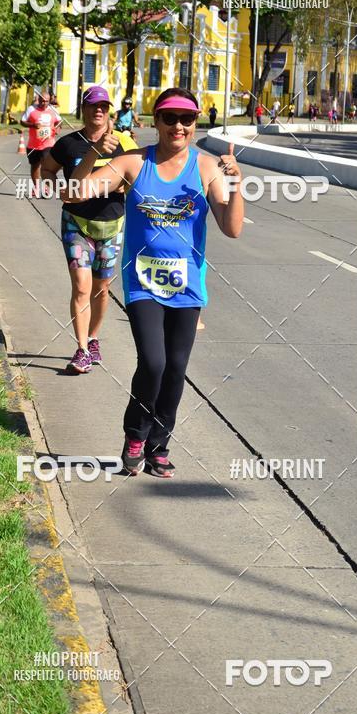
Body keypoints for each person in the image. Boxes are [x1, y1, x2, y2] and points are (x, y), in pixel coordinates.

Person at [67, 87, 243, 478]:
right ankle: (135, 435)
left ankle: (159, 445)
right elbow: (73, 194)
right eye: (169, 118)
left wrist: (236, 184)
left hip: (186, 285)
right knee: (154, 362)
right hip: (143, 282)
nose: (178, 126)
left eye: (187, 119)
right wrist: (95, 154)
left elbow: (231, 229)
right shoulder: (133, 163)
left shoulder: (206, 167)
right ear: (157, 121)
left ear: (195, 124)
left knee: (176, 368)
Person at [41, 86, 137, 374]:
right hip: (76, 223)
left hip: (112, 223)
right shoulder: (69, 144)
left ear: (110, 111)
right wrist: (52, 184)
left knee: (101, 288)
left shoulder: (124, 143)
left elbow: (139, 176)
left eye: (104, 106)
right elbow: (47, 168)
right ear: (82, 109)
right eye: (93, 105)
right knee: (81, 286)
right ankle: (82, 349)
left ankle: (94, 339)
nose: (99, 110)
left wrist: (127, 187)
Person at [21, 92, 62, 194]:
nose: (44, 103)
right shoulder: (31, 109)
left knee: (46, 166)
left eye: (46, 101)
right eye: (42, 101)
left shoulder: (53, 110)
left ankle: (46, 188)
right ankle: (36, 187)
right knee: (35, 166)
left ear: (49, 101)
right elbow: (22, 121)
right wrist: (33, 125)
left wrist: (57, 128)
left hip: (48, 143)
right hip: (33, 144)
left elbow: (60, 121)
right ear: (38, 99)